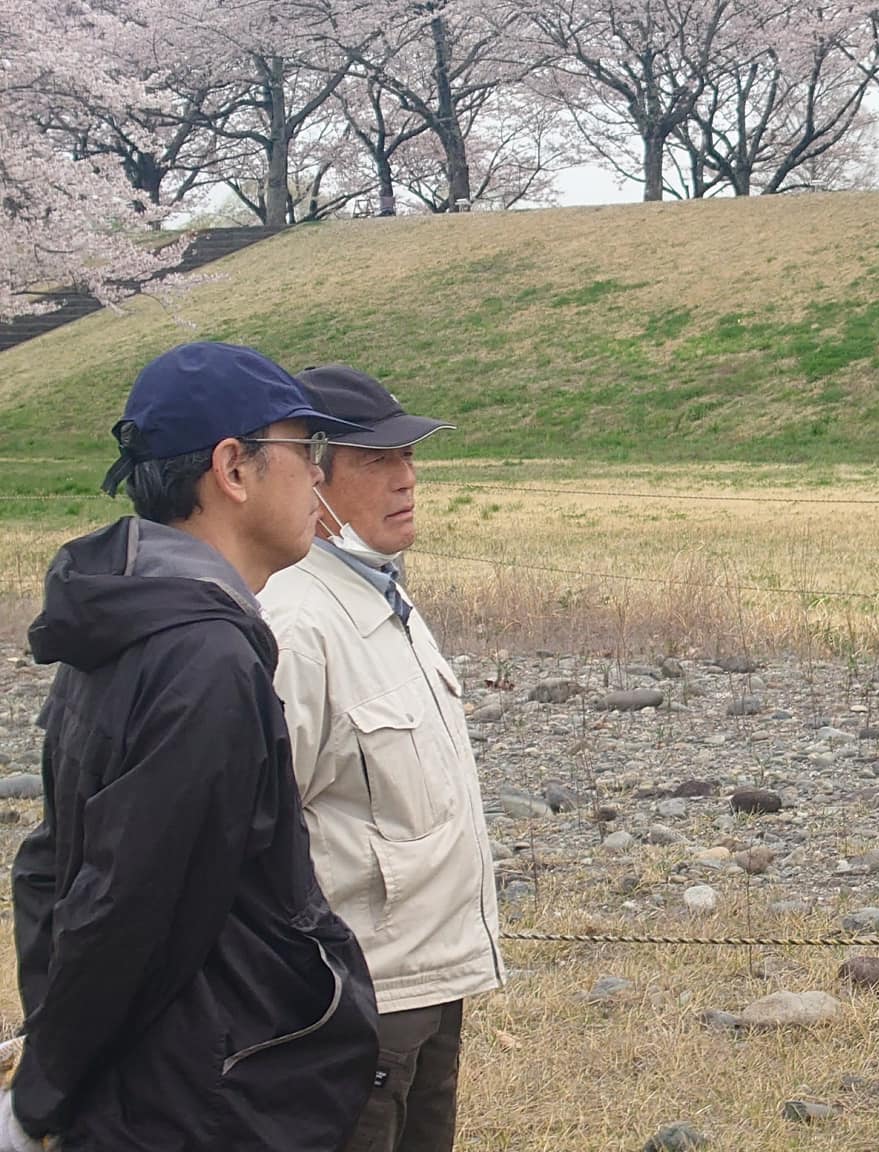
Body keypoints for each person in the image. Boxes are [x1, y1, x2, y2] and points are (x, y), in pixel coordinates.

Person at [6, 342, 381, 1151]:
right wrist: (42, 1097)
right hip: (199, 1099)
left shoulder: (128, 619)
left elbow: (48, 871)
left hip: (154, 1081)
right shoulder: (201, 658)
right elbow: (130, 904)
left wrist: (59, 1048)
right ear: (233, 468)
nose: (319, 477)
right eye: (301, 449)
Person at [259, 365, 501, 1152]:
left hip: (429, 978)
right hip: (352, 1003)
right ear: (310, 476)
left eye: (409, 456)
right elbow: (253, 831)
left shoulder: (380, 594)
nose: (407, 479)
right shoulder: (294, 622)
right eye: (376, 460)